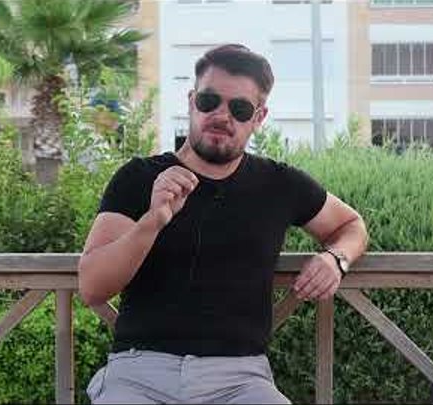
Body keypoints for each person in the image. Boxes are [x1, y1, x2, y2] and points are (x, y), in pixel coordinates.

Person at [78, 44, 368, 404]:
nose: (221, 115)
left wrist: (335, 259)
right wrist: (152, 222)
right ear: (191, 101)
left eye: (240, 108)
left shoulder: (279, 184)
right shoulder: (138, 177)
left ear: (259, 117)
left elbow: (351, 225)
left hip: (240, 381)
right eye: (209, 101)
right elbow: (92, 288)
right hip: (139, 375)